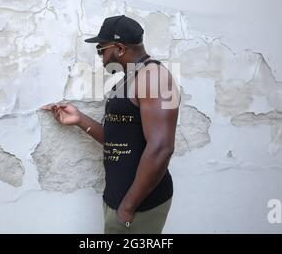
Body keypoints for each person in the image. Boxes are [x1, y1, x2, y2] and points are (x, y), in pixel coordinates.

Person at [41, 15, 180, 233]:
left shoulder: (154, 77)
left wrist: (127, 207)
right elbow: (118, 139)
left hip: (139, 206)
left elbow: (162, 148)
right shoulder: (130, 78)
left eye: (101, 50)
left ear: (120, 49)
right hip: (118, 200)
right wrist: (79, 119)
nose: (101, 58)